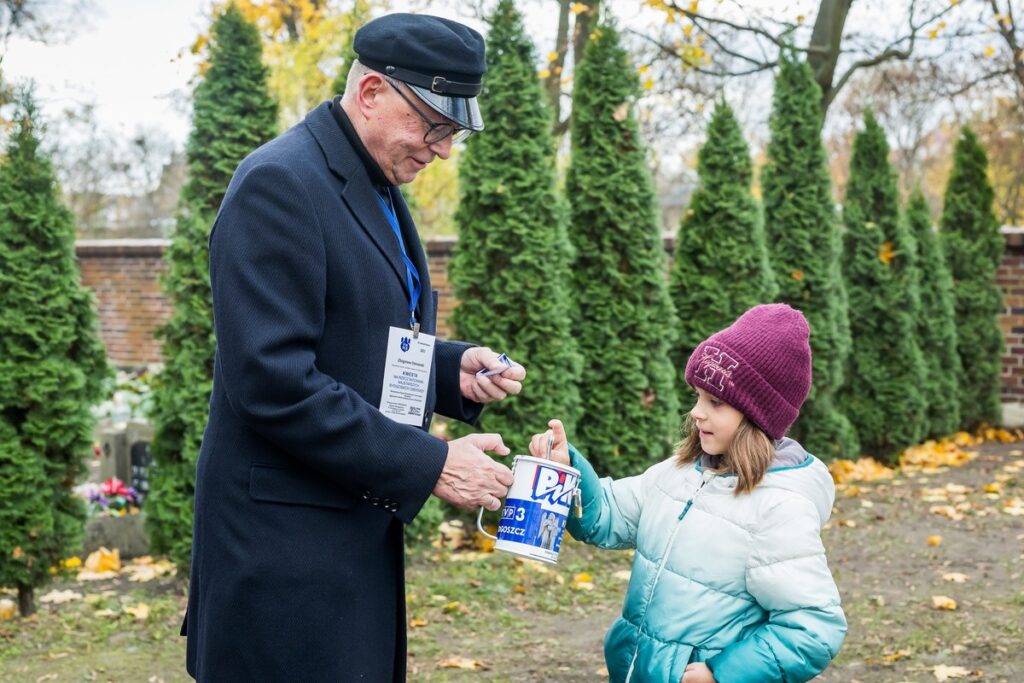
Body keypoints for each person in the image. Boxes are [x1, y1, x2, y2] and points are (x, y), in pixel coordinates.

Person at [183, 13, 525, 682]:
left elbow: (357, 336)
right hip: (283, 568)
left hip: (341, 551)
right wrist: (431, 462)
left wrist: (452, 370)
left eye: (452, 132)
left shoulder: (374, 182)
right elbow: (274, 381)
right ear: (371, 93)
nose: (442, 150)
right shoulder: (279, 183)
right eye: (432, 125)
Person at [529, 304, 847, 683]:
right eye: (697, 396)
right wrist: (569, 470)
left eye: (715, 402)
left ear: (757, 416)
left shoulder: (777, 508)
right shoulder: (677, 474)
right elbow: (605, 517)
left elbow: (812, 627)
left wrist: (724, 674)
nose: (697, 412)